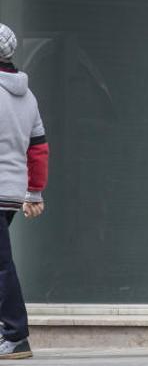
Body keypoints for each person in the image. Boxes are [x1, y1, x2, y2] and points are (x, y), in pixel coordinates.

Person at [0, 23, 48, 359]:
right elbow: (38, 149)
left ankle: (15, 335)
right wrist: (34, 193)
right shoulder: (27, 95)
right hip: (11, 192)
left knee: (1, 266)